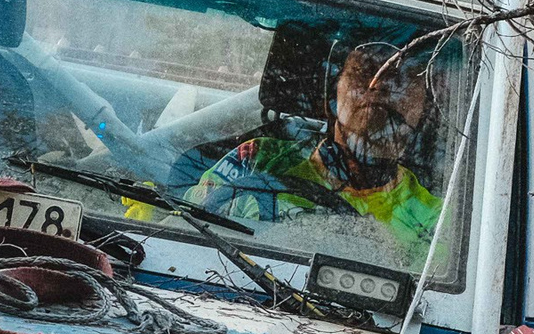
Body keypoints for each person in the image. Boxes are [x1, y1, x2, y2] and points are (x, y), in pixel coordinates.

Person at [185, 39, 445, 261]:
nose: (378, 88)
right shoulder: (256, 159)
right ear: (331, 94)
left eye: (404, 81)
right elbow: (182, 228)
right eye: (364, 73)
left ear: (423, 109)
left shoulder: (436, 221)